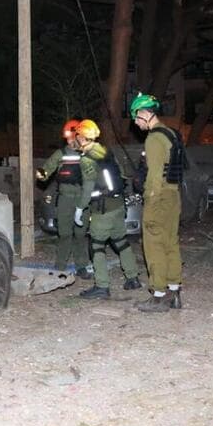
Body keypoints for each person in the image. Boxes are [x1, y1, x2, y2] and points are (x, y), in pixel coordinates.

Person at [75, 119, 142, 299]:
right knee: (121, 241)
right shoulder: (106, 151)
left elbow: (88, 187)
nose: (77, 139)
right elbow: (120, 175)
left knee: (96, 246)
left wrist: (80, 208)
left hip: (103, 210)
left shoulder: (87, 159)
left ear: (82, 137)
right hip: (118, 205)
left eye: (78, 136)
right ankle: (133, 278)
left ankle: (102, 286)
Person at [130, 93, 184, 312]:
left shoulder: (153, 138)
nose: (135, 122)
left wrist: (147, 197)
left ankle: (158, 295)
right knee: (171, 242)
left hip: (158, 196)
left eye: (136, 117)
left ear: (144, 113)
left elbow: (153, 175)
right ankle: (175, 291)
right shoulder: (172, 134)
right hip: (173, 195)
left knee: (153, 245)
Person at [36, 119, 91, 277]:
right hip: (65, 198)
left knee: (80, 234)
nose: (70, 141)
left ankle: (82, 266)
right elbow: (47, 169)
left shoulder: (88, 152)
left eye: (72, 137)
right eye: (67, 138)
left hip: (82, 198)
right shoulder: (61, 153)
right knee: (64, 233)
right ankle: (60, 265)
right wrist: (41, 174)